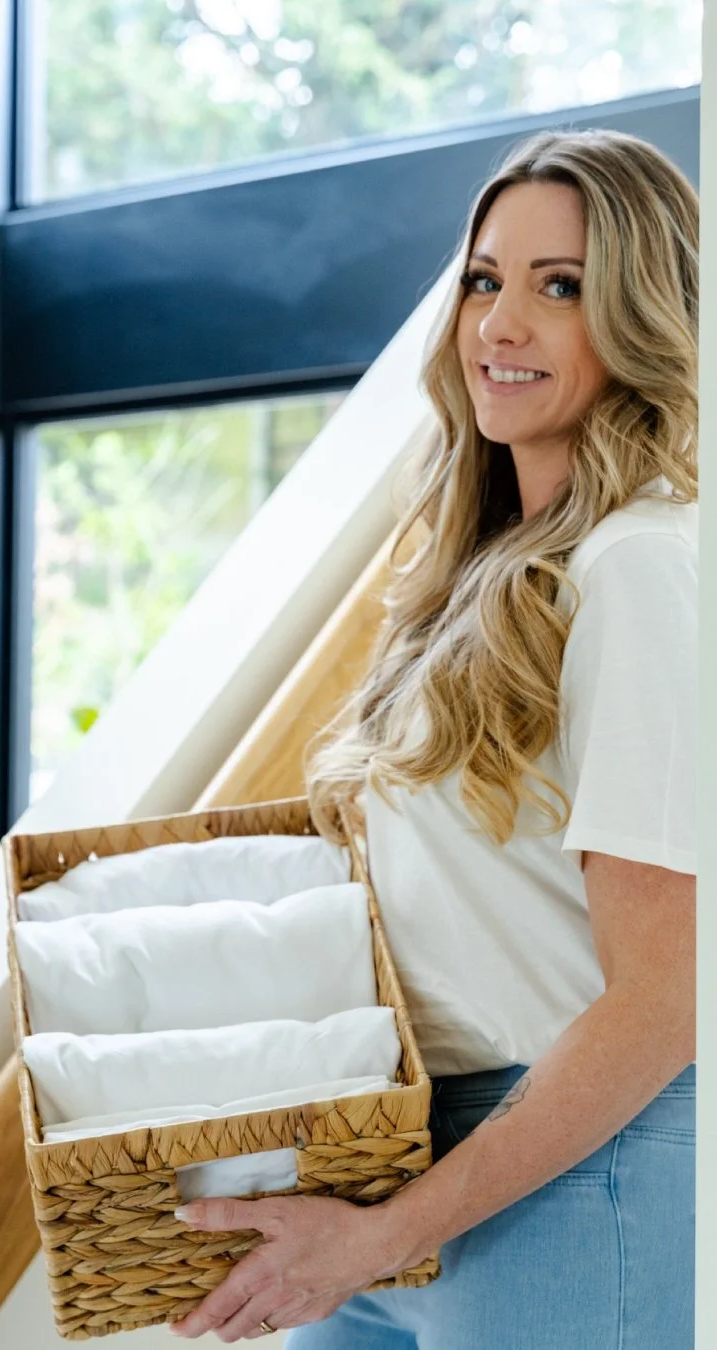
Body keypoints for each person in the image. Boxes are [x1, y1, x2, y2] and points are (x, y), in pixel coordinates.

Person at [166, 127, 697, 1347]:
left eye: (560, 287)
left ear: (643, 315)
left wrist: (395, 1228)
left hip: (578, 1163)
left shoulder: (641, 567)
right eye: (484, 279)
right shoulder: (473, 579)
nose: (501, 324)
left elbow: (668, 995)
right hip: (403, 1136)